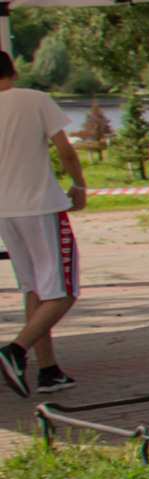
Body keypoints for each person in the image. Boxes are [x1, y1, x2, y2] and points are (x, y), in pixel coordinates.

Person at [0, 52, 86, 395]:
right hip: (41, 206)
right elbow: (66, 151)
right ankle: (15, 350)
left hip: (5, 212)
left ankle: (48, 370)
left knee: (35, 288)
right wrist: (79, 186)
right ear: (14, 72)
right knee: (65, 290)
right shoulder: (35, 100)